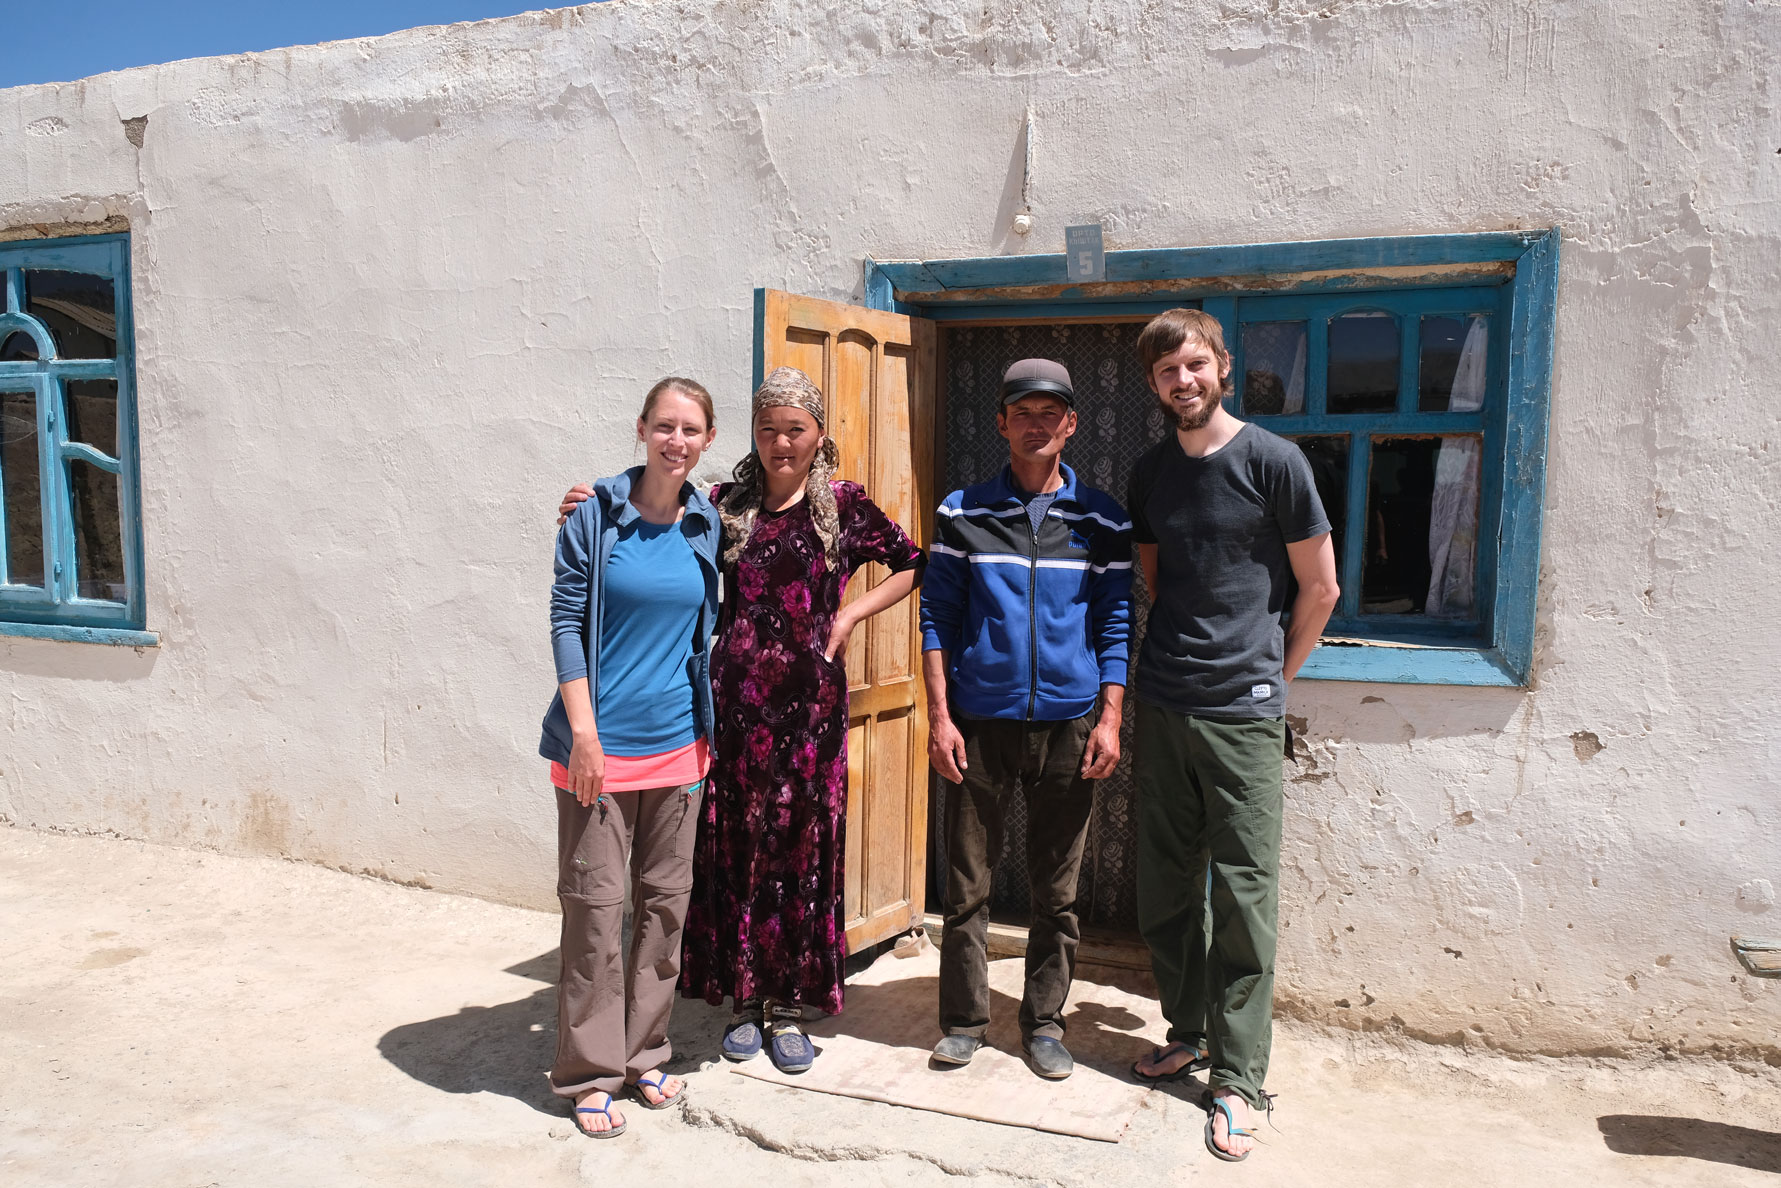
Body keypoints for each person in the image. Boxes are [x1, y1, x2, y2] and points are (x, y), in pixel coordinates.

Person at [556, 366, 924, 1075]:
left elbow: (913, 564)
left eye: (795, 430)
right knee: (732, 854)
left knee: (799, 854)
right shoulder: (722, 504)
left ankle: (785, 1005)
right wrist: (592, 499)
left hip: (810, 714)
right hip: (728, 708)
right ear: (751, 438)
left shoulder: (842, 507)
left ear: (819, 436)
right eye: (768, 430)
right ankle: (742, 1000)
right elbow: (651, 506)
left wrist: (848, 613)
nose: (781, 443)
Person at [1123, 310, 1340, 1162]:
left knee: (1243, 896)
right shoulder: (1148, 474)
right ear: (1152, 384)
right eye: (1166, 371)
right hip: (1165, 700)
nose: (1183, 380)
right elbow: (1155, 579)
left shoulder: (1273, 462)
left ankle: (1239, 1080)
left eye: (1194, 364)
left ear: (1222, 366)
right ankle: (1190, 1030)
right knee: (1167, 885)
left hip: (1242, 711)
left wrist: (1270, 679)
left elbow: (1317, 588)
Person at [919, 358, 1132, 1081]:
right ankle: (963, 1022)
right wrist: (940, 717)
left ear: (1071, 424)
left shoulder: (1100, 518)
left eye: (1051, 412)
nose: (1036, 424)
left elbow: (1115, 621)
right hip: (980, 722)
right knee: (968, 883)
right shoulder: (961, 511)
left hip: (1070, 724)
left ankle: (1043, 1023)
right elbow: (937, 617)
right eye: (1023, 411)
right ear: (1002, 422)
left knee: (1057, 890)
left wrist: (1109, 718)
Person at [539, 377, 723, 1139]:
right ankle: (589, 1071)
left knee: (661, 911)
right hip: (599, 754)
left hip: (681, 750)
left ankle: (646, 1053)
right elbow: (564, 618)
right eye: (665, 426)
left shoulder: (707, 521)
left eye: (691, 430)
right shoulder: (594, 518)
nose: (676, 440)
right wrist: (584, 732)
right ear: (642, 428)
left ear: (707, 442)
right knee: (593, 914)